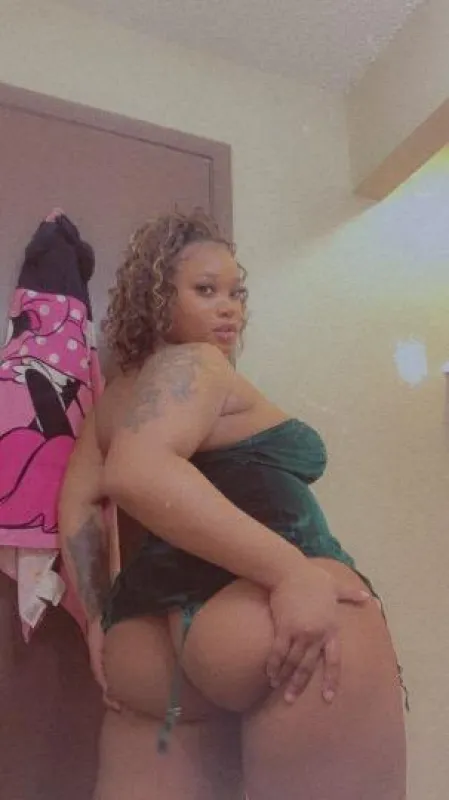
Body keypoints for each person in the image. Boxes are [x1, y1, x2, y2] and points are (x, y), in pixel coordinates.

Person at [59, 210, 406, 800]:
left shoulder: (115, 399)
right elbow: (138, 471)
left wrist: (97, 618)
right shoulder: (196, 364)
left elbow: (80, 508)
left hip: (143, 643)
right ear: (157, 300)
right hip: (265, 608)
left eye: (236, 293)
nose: (229, 309)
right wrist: (293, 572)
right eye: (205, 290)